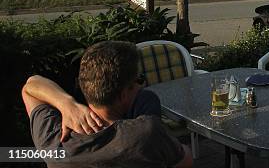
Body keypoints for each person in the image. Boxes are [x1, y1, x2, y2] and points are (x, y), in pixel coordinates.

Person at [22, 40, 192, 168]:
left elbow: (31, 85)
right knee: (148, 98)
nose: (141, 85)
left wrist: (67, 104)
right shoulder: (147, 133)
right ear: (124, 93)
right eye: (139, 80)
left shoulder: (54, 141)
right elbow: (186, 161)